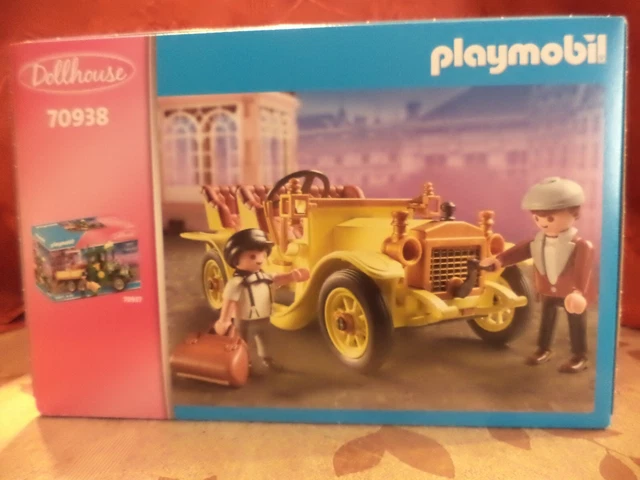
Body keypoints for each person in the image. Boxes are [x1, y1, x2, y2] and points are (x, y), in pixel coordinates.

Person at [480, 177, 594, 373]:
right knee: (546, 320)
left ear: (574, 213)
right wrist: (499, 260)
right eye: (537, 218)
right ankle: (543, 349)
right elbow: (517, 252)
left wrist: (578, 292)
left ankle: (579, 356)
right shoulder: (537, 241)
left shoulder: (581, 245)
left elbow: (583, 270)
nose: (543, 223)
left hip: (571, 293)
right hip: (548, 288)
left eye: (549, 218)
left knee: (576, 323)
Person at [213, 228, 310, 371]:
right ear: (235, 258)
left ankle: (267, 359)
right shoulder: (236, 283)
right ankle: (244, 363)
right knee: (242, 343)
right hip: (244, 320)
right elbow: (229, 301)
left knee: (265, 340)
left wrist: (292, 276)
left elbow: (279, 278)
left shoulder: (265, 277)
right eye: (252, 256)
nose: (259, 260)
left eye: (263, 255)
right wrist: (224, 320)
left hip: (263, 317)